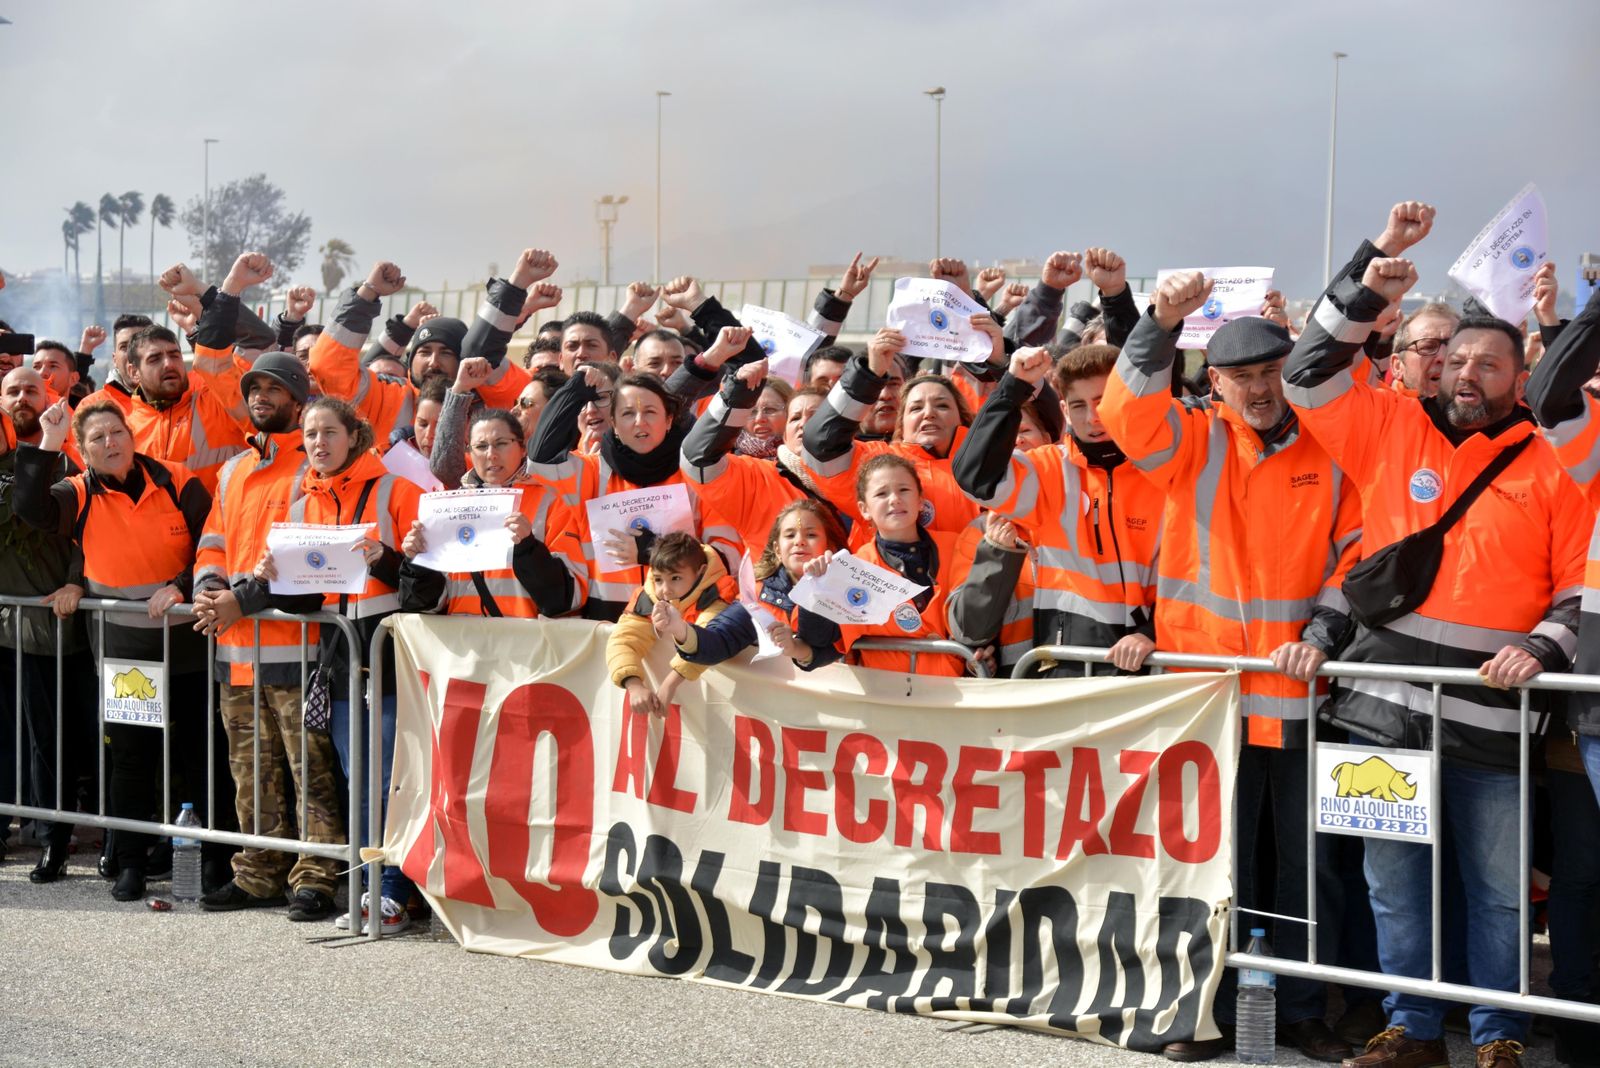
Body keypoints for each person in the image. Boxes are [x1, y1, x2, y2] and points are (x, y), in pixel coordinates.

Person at [1283, 211, 1588, 1068]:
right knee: (1395, 888)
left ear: (1520, 376)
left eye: (1487, 363)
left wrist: (1543, 648)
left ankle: (1497, 1038)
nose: (1464, 373)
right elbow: (1309, 374)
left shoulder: (1553, 459)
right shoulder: (1389, 423)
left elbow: (1577, 589)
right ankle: (1410, 1028)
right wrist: (1374, 269)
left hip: (1491, 718)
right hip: (1379, 713)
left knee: (1496, 896)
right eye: (1453, 359)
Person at [1100, 271, 1364, 1064]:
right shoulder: (1190, 438)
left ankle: (1303, 1008)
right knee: (1210, 863)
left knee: (1305, 868)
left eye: (1270, 370)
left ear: (1290, 368)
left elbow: (1356, 554)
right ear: (1213, 381)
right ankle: (1203, 1006)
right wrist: (1159, 320)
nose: (1259, 387)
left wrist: (1323, 629)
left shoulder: (1332, 446)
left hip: (1297, 695)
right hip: (1208, 697)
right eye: (1241, 375)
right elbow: (1123, 411)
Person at [13, 397, 234, 901]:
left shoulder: (176, 479)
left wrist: (181, 585)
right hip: (123, 648)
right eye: (96, 438)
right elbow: (30, 509)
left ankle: (214, 862)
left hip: (188, 638)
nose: (110, 443)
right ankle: (130, 864)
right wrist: (48, 443)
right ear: (83, 451)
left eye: (117, 432)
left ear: (132, 437)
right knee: (129, 759)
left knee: (201, 753)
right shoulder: (78, 491)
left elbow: (213, 542)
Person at [248, 397, 422, 933]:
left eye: (329, 432)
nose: (318, 443)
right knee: (360, 779)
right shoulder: (303, 504)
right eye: (310, 434)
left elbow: (429, 587)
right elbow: (309, 598)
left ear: (355, 435)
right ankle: (371, 884)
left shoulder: (397, 489)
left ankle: (395, 889)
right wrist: (274, 578)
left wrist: (389, 559)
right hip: (343, 662)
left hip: (393, 657)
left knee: (393, 779)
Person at [191, 339, 346, 921]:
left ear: (299, 399)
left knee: (310, 773)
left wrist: (241, 599)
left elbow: (308, 554)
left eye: (273, 388)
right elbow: (213, 539)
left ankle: (316, 877)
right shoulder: (233, 469)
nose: (260, 397)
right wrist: (209, 590)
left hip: (300, 649)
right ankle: (258, 874)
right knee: (249, 773)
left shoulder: (316, 467)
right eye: (253, 388)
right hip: (235, 650)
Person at [953, 342, 1162, 676]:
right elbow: (974, 477)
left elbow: (1190, 571)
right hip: (1066, 668)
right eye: (1079, 406)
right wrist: (1013, 386)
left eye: (1102, 401)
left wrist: (1152, 633)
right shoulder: (1048, 470)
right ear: (1064, 411)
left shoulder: (1162, 469)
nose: (1093, 417)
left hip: (1151, 663)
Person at [527, 365, 740, 621]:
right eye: (628, 414)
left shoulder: (697, 475)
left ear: (669, 419)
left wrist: (654, 552)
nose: (640, 422)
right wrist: (575, 389)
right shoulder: (592, 473)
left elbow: (728, 556)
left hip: (685, 621)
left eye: (650, 411)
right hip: (608, 623)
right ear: (613, 424)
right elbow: (541, 457)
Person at [794, 454, 1023, 677]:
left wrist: (979, 663)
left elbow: (980, 618)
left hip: (958, 700)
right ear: (864, 509)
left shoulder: (958, 545)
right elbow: (822, 643)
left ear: (920, 500)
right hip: (891, 703)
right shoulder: (855, 569)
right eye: (882, 494)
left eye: (903, 490)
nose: (894, 499)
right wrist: (816, 589)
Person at [0, 375, 95, 881]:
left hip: (68, 625)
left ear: (49, 400)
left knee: (74, 736)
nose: (22, 399)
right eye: (13, 391)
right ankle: (45, 834)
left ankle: (82, 836)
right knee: (35, 741)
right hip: (15, 631)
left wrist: (78, 583)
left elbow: (91, 531)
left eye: (31, 392)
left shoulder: (68, 462)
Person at [310, 257, 534, 449]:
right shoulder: (389, 399)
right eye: (424, 352)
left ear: (462, 360)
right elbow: (329, 366)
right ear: (410, 359)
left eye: (446, 353)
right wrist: (368, 291)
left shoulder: (491, 403)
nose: (434, 362)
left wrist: (518, 283)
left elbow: (525, 395)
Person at [802, 323, 1002, 537]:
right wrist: (868, 374)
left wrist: (1000, 362)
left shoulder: (992, 466)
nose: (928, 413)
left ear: (962, 417)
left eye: (942, 405)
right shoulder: (878, 462)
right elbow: (820, 444)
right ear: (901, 423)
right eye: (916, 408)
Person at [670, 499, 849, 672]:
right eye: (789, 535)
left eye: (811, 535)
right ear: (778, 550)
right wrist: (679, 629)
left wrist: (813, 586)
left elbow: (821, 639)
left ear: (830, 546)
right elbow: (720, 641)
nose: (799, 541)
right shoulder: (758, 594)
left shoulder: (852, 589)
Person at [605, 532, 737, 715]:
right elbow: (624, 639)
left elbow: (706, 645)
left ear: (700, 571)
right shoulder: (649, 595)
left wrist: (669, 685)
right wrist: (634, 684)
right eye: (658, 579)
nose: (665, 590)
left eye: (675, 578)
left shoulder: (719, 594)